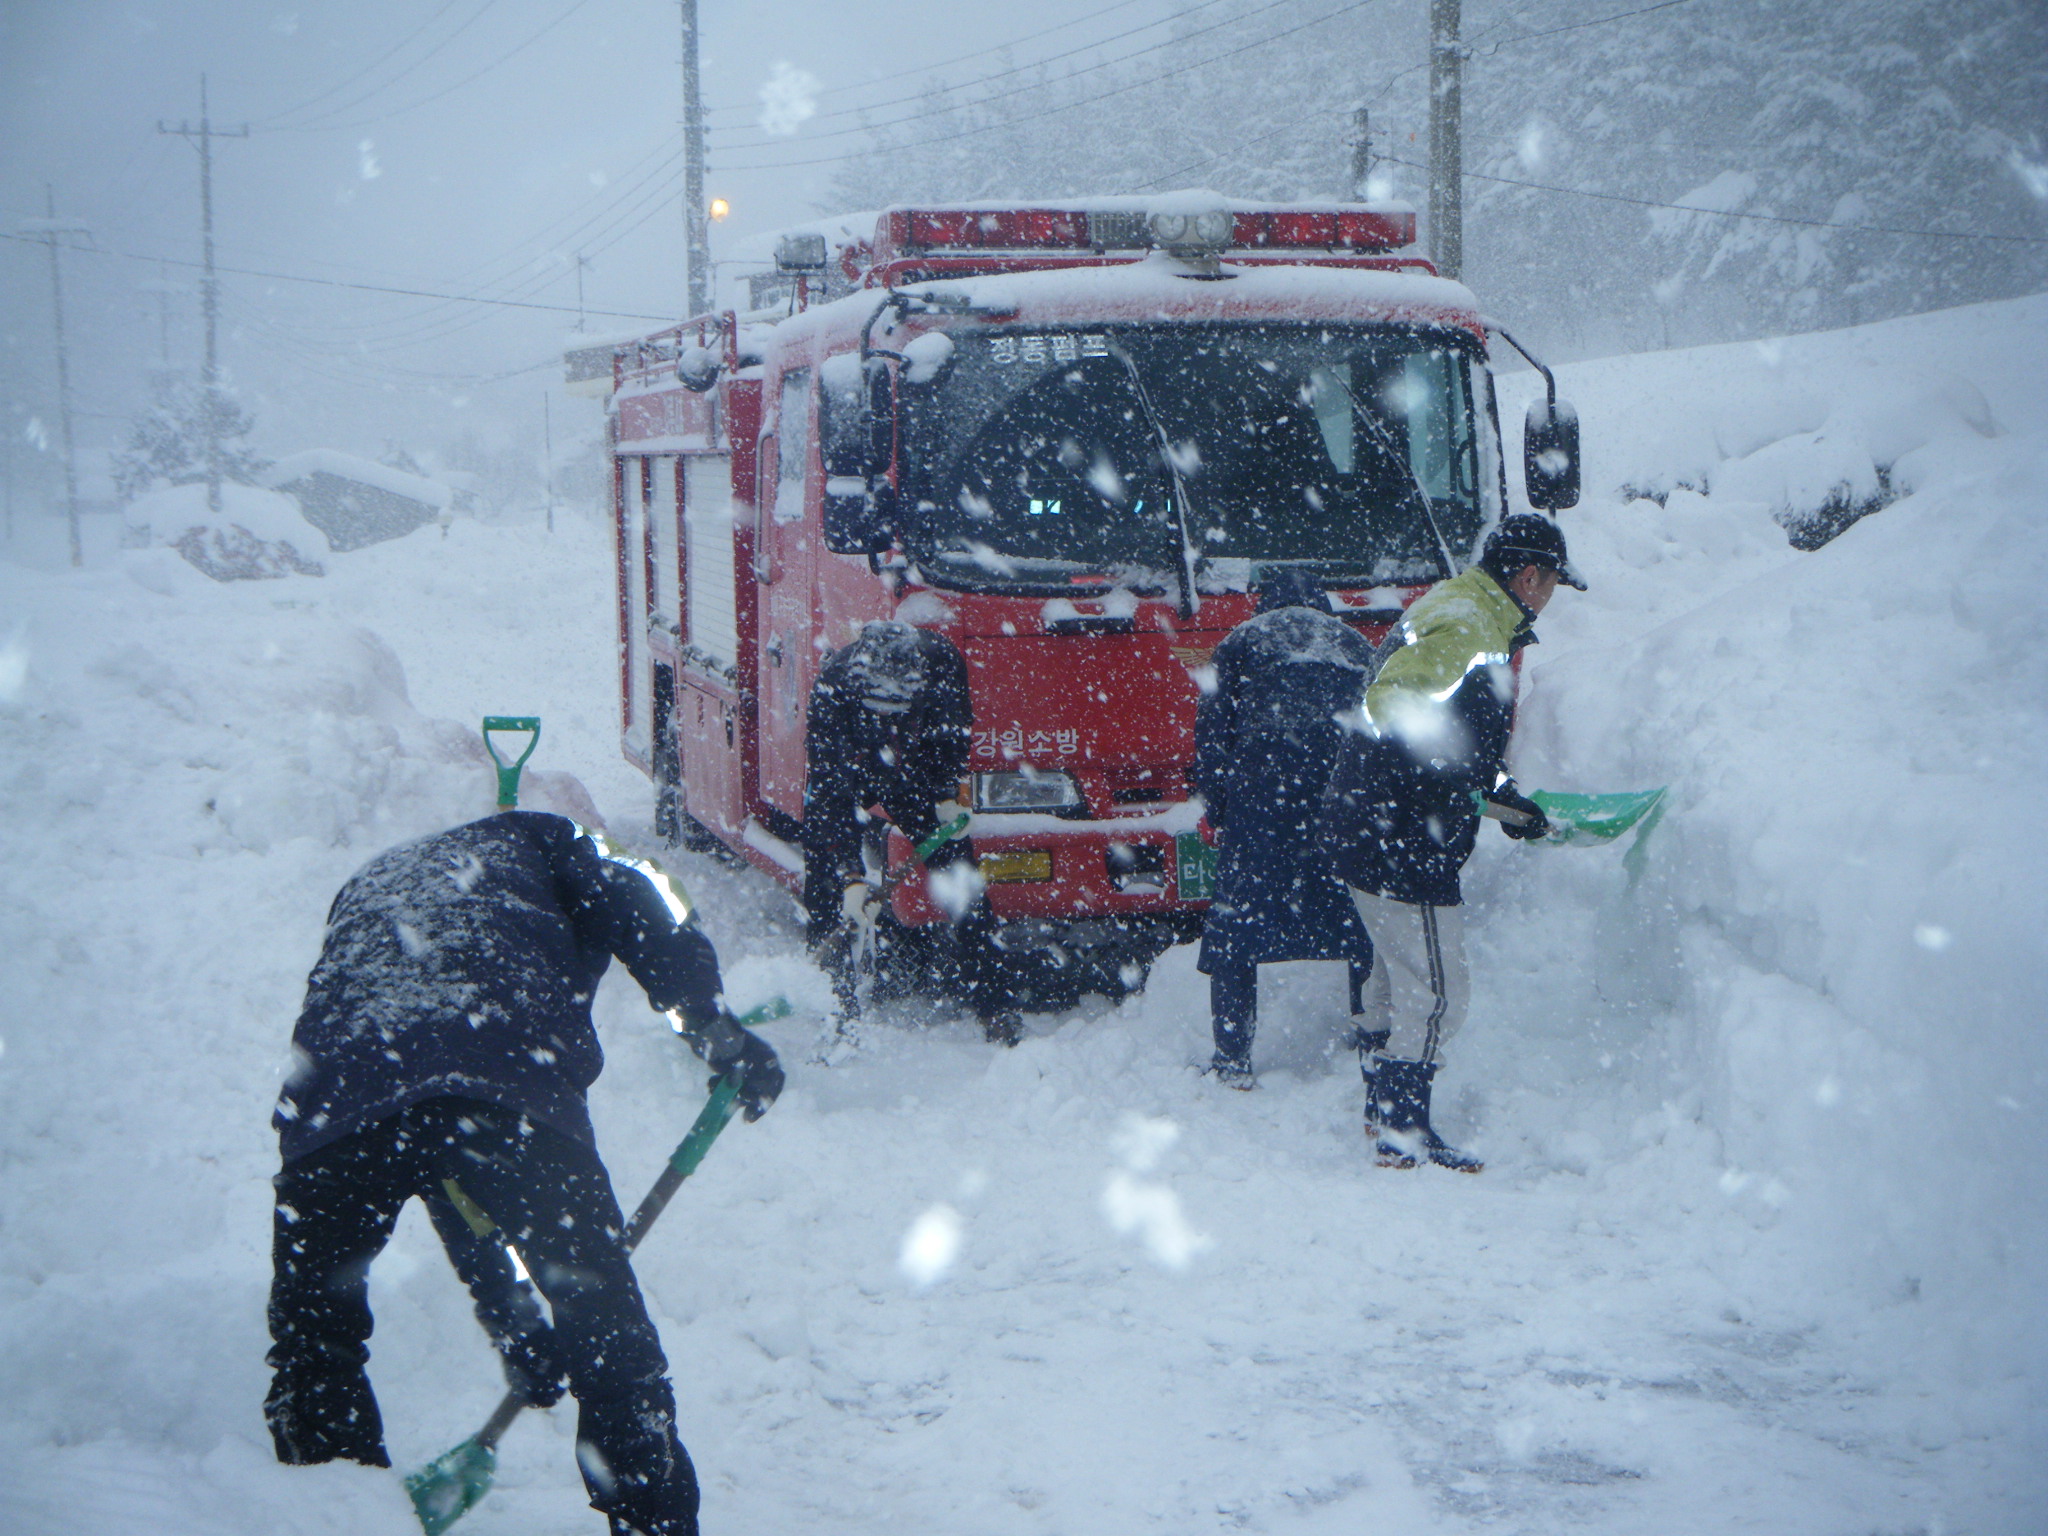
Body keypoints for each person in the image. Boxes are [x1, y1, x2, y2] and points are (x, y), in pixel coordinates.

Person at [266, 809, 782, 1536]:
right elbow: (644, 906)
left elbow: (434, 1149)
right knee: (608, 1339)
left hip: (336, 1106)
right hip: (504, 1081)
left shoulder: (378, 879)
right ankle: (652, 1521)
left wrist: (511, 1320)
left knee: (315, 1346)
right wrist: (714, 1028)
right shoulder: (558, 847)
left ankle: (328, 1513)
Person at [1320, 514, 1585, 1172]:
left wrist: (1499, 795)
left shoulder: (1458, 606)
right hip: (1404, 838)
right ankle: (1403, 1132)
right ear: (1530, 577)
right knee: (1438, 992)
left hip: (1365, 821)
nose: (1551, 596)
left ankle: (1381, 1110)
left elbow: (1450, 738)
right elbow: (1404, 721)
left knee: (1394, 975)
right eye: (1553, 583)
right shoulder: (1472, 631)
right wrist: (1475, 792)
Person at [1192, 567, 1378, 1087]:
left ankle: (1232, 1059)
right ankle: (1371, 1042)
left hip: (1260, 810)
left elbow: (1212, 739)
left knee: (1237, 935)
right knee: (1360, 928)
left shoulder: (1241, 643)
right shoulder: (1357, 647)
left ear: (1264, 603)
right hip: (1340, 807)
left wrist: (1219, 810)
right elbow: (1381, 735)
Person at [801, 620, 1021, 1045]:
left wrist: (947, 796)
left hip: (913, 775)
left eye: (895, 707)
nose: (885, 716)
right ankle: (833, 1003)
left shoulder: (943, 667)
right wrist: (850, 876)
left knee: (961, 881)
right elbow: (829, 794)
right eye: (876, 707)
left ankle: (996, 1005)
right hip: (853, 770)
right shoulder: (832, 688)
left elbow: (952, 741)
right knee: (825, 879)